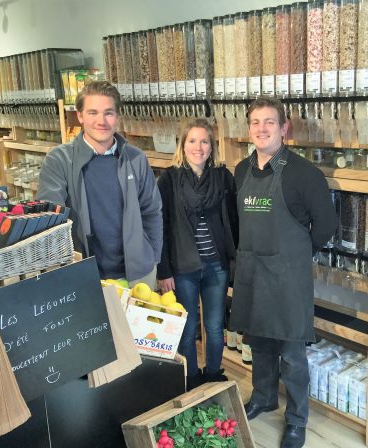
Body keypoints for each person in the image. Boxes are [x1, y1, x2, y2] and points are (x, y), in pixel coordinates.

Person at [230, 97, 337, 448]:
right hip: (253, 272)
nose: (262, 129)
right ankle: (263, 397)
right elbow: (237, 221)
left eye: (270, 122)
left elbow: (326, 225)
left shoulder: (304, 174)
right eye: (256, 122)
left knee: (292, 353)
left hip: (288, 277)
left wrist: (295, 254)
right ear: (249, 129)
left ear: (284, 128)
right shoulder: (241, 171)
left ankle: (296, 419)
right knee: (259, 342)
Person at [37, 81, 162, 288]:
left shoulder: (136, 158)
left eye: (108, 113)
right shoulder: (59, 160)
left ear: (117, 116)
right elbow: (50, 218)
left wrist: (153, 257)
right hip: (85, 276)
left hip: (138, 276)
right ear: (80, 116)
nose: (101, 121)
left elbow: (152, 212)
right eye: (93, 112)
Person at [157, 118, 238, 390]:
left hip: (216, 266)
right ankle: (190, 378)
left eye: (204, 141)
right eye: (192, 140)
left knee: (214, 326)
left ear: (212, 146)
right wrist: (163, 270)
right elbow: (161, 226)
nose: (198, 147)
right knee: (188, 327)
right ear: (182, 145)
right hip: (183, 268)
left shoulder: (223, 177)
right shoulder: (169, 179)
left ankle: (213, 374)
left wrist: (236, 260)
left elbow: (235, 220)